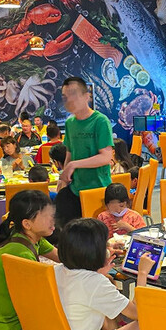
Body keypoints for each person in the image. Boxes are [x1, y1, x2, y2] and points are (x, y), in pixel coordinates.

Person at [54, 218, 148, 330]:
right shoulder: (95, 283)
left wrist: (97, 273)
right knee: (148, 323)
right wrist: (142, 273)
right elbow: (139, 313)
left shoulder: (56, 270)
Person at [0, 190, 59, 330]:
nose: (52, 219)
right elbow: (38, 300)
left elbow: (62, 257)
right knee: (72, 323)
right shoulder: (20, 252)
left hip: (2, 323)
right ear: (27, 224)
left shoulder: (28, 236)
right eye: (46, 216)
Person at [54, 77, 114, 232]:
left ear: (87, 96)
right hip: (75, 188)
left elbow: (106, 157)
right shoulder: (70, 123)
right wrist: (64, 176)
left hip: (98, 189)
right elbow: (70, 152)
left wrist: (74, 165)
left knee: (94, 234)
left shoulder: (100, 121)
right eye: (65, 97)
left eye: (74, 95)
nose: (69, 100)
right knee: (67, 230)